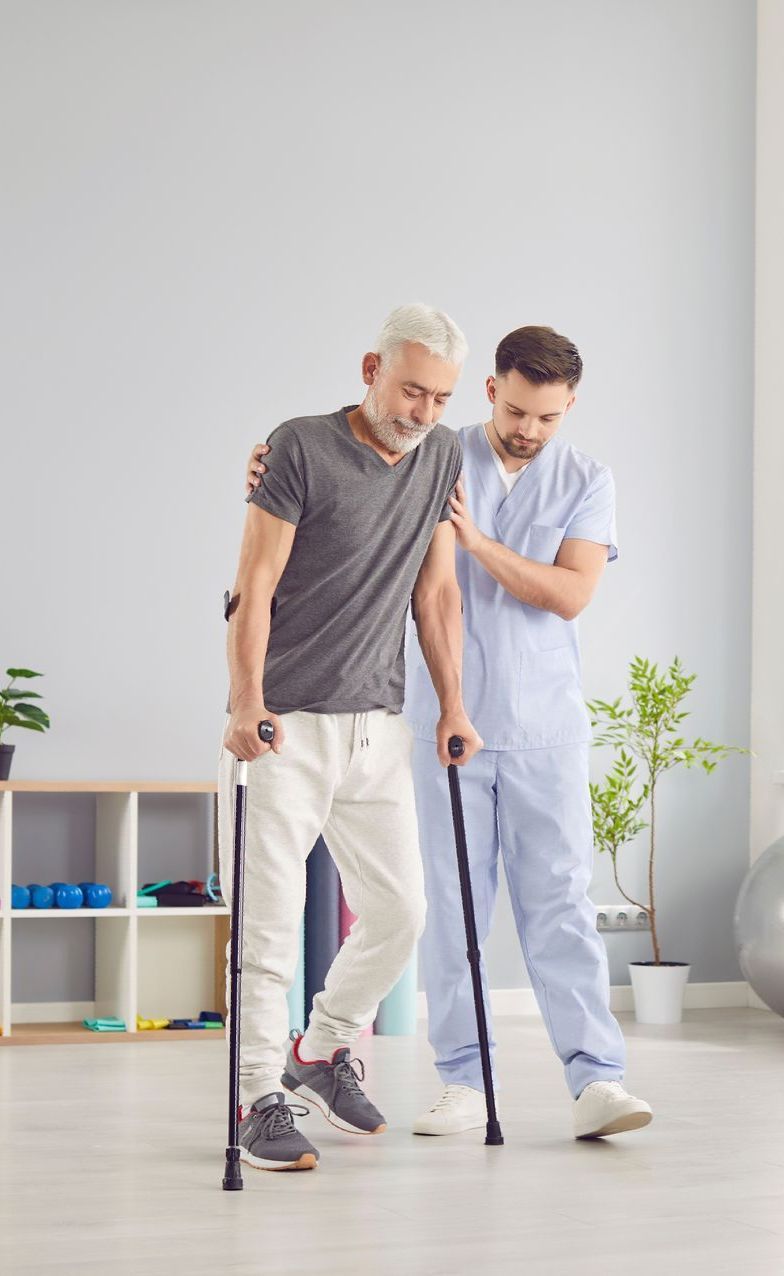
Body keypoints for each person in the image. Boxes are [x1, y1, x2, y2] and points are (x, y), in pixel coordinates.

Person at [247, 324, 652, 1142]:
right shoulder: (438, 450)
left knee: (560, 907)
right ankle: (462, 1079)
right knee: (449, 911)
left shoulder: (585, 480)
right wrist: (267, 471)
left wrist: (478, 543)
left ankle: (597, 1080)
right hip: (436, 725)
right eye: (518, 410)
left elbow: (571, 594)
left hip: (543, 726)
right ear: (491, 389)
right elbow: (342, 472)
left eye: (550, 417)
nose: (530, 430)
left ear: (569, 409)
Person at [220, 303, 482, 1173]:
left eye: (441, 398)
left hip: (377, 726)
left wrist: (451, 705)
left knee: (403, 911)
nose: (424, 412)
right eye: (411, 390)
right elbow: (254, 584)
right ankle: (258, 1098)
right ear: (370, 370)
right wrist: (243, 698)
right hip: (285, 724)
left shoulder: (440, 455)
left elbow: (435, 595)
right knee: (270, 927)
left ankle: (319, 1052)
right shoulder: (297, 447)